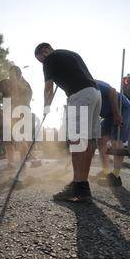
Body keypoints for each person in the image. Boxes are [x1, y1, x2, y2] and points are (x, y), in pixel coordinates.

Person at [35, 43, 102, 202]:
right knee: (87, 141)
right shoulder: (71, 54)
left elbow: (48, 88)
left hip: (79, 96)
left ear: (44, 51)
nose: (42, 63)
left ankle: (78, 186)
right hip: (95, 94)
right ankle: (81, 186)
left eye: (40, 60)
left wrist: (46, 107)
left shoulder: (49, 59)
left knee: (77, 142)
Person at [0, 66, 34, 171]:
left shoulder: (26, 86)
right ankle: (10, 163)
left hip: (21, 113)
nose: (11, 78)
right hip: (8, 114)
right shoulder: (6, 83)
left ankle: (22, 163)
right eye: (10, 75)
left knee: (21, 139)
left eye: (13, 76)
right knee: (8, 140)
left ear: (19, 75)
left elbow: (26, 100)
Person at [95, 80, 130, 186]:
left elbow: (112, 91)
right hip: (108, 115)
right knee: (101, 140)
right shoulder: (79, 95)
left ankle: (115, 176)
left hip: (121, 108)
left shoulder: (93, 83)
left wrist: (116, 114)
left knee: (116, 140)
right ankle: (106, 172)